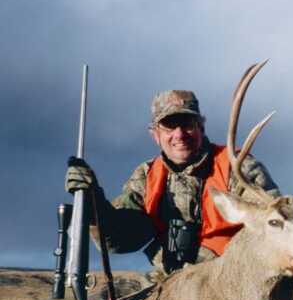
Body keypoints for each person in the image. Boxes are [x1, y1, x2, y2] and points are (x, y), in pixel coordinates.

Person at [65, 90, 279, 282]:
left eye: (187, 124)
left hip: (229, 281)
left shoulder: (238, 167)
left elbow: (272, 222)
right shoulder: (145, 176)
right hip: (168, 281)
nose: (179, 134)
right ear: (155, 135)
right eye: (169, 126)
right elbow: (123, 238)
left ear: (201, 127)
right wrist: (95, 206)